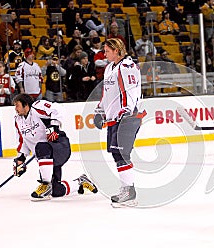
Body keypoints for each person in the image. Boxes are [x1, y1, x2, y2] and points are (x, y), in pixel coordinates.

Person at [12, 93, 98, 200]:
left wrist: (54, 126)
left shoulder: (37, 107)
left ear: (26, 105)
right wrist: (21, 158)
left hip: (59, 146)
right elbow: (22, 140)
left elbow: (58, 108)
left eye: (17, 105)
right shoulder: (18, 120)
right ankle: (81, 182)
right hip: (46, 157)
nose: (15, 108)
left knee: (41, 147)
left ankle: (45, 185)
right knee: (56, 191)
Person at [94, 38, 146, 207]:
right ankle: (127, 189)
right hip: (114, 118)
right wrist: (100, 111)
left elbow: (129, 91)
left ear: (117, 51)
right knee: (117, 154)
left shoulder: (127, 67)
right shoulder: (110, 67)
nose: (104, 53)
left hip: (127, 117)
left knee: (121, 153)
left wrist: (127, 111)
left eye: (107, 50)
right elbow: (106, 94)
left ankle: (129, 192)